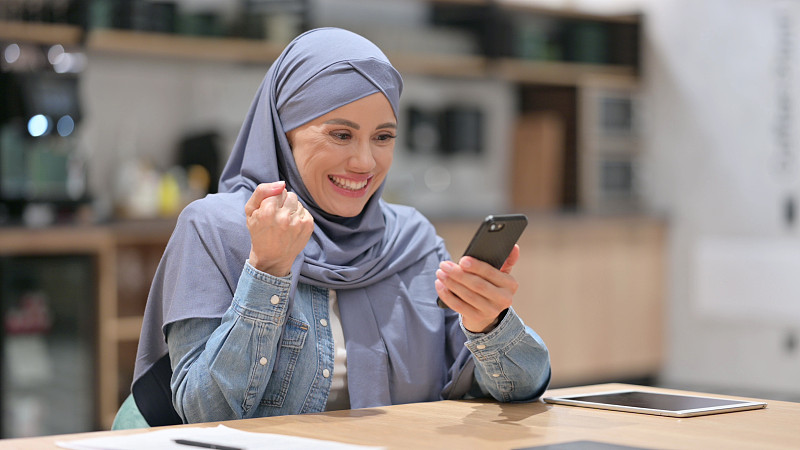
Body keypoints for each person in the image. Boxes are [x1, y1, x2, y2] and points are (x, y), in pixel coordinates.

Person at [112, 27, 550, 429]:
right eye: (341, 135)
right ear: (284, 133)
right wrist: (267, 271)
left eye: (383, 137)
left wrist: (489, 324)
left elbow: (523, 388)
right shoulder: (217, 228)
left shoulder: (411, 240)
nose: (364, 162)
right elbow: (205, 413)